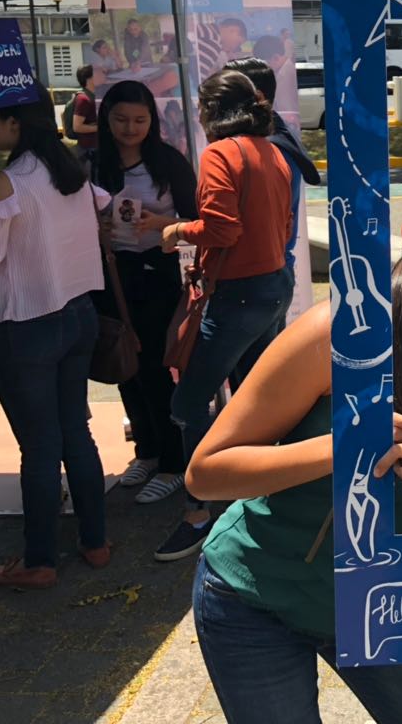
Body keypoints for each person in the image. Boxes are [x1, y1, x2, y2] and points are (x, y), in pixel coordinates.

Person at [186, 152, 402, 724]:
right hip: (257, 594)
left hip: (394, 605)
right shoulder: (338, 333)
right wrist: (342, 446)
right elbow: (207, 470)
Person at [0, 99, 110, 588]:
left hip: (26, 327)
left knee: (41, 447)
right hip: (79, 316)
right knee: (75, 433)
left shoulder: (5, 184)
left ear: (15, 123)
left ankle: (39, 559)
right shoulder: (69, 170)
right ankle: (95, 540)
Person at [154, 69, 294, 563]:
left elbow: (221, 228)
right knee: (253, 402)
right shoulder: (271, 150)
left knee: (189, 403)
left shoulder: (221, 153)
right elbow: (285, 221)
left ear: (209, 111)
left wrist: (177, 231)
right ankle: (258, 498)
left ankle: (198, 510)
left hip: (237, 296)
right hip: (274, 286)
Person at [90, 80, 198, 505]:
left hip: (156, 273)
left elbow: (194, 217)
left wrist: (159, 224)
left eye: (139, 120)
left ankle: (173, 462)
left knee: (155, 367)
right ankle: (147, 452)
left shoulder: (168, 162)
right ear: (106, 120)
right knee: (122, 365)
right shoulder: (94, 163)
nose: (130, 128)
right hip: (110, 275)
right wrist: (93, 227)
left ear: (152, 121)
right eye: (120, 119)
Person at [224, 56, 320, 297]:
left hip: (256, 276)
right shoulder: (276, 136)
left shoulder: (266, 148)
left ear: (256, 96)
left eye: (227, 90)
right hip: (270, 271)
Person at [70, 64, 99, 166]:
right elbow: (77, 127)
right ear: (89, 79)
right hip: (89, 150)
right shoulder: (83, 99)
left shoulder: (91, 96)